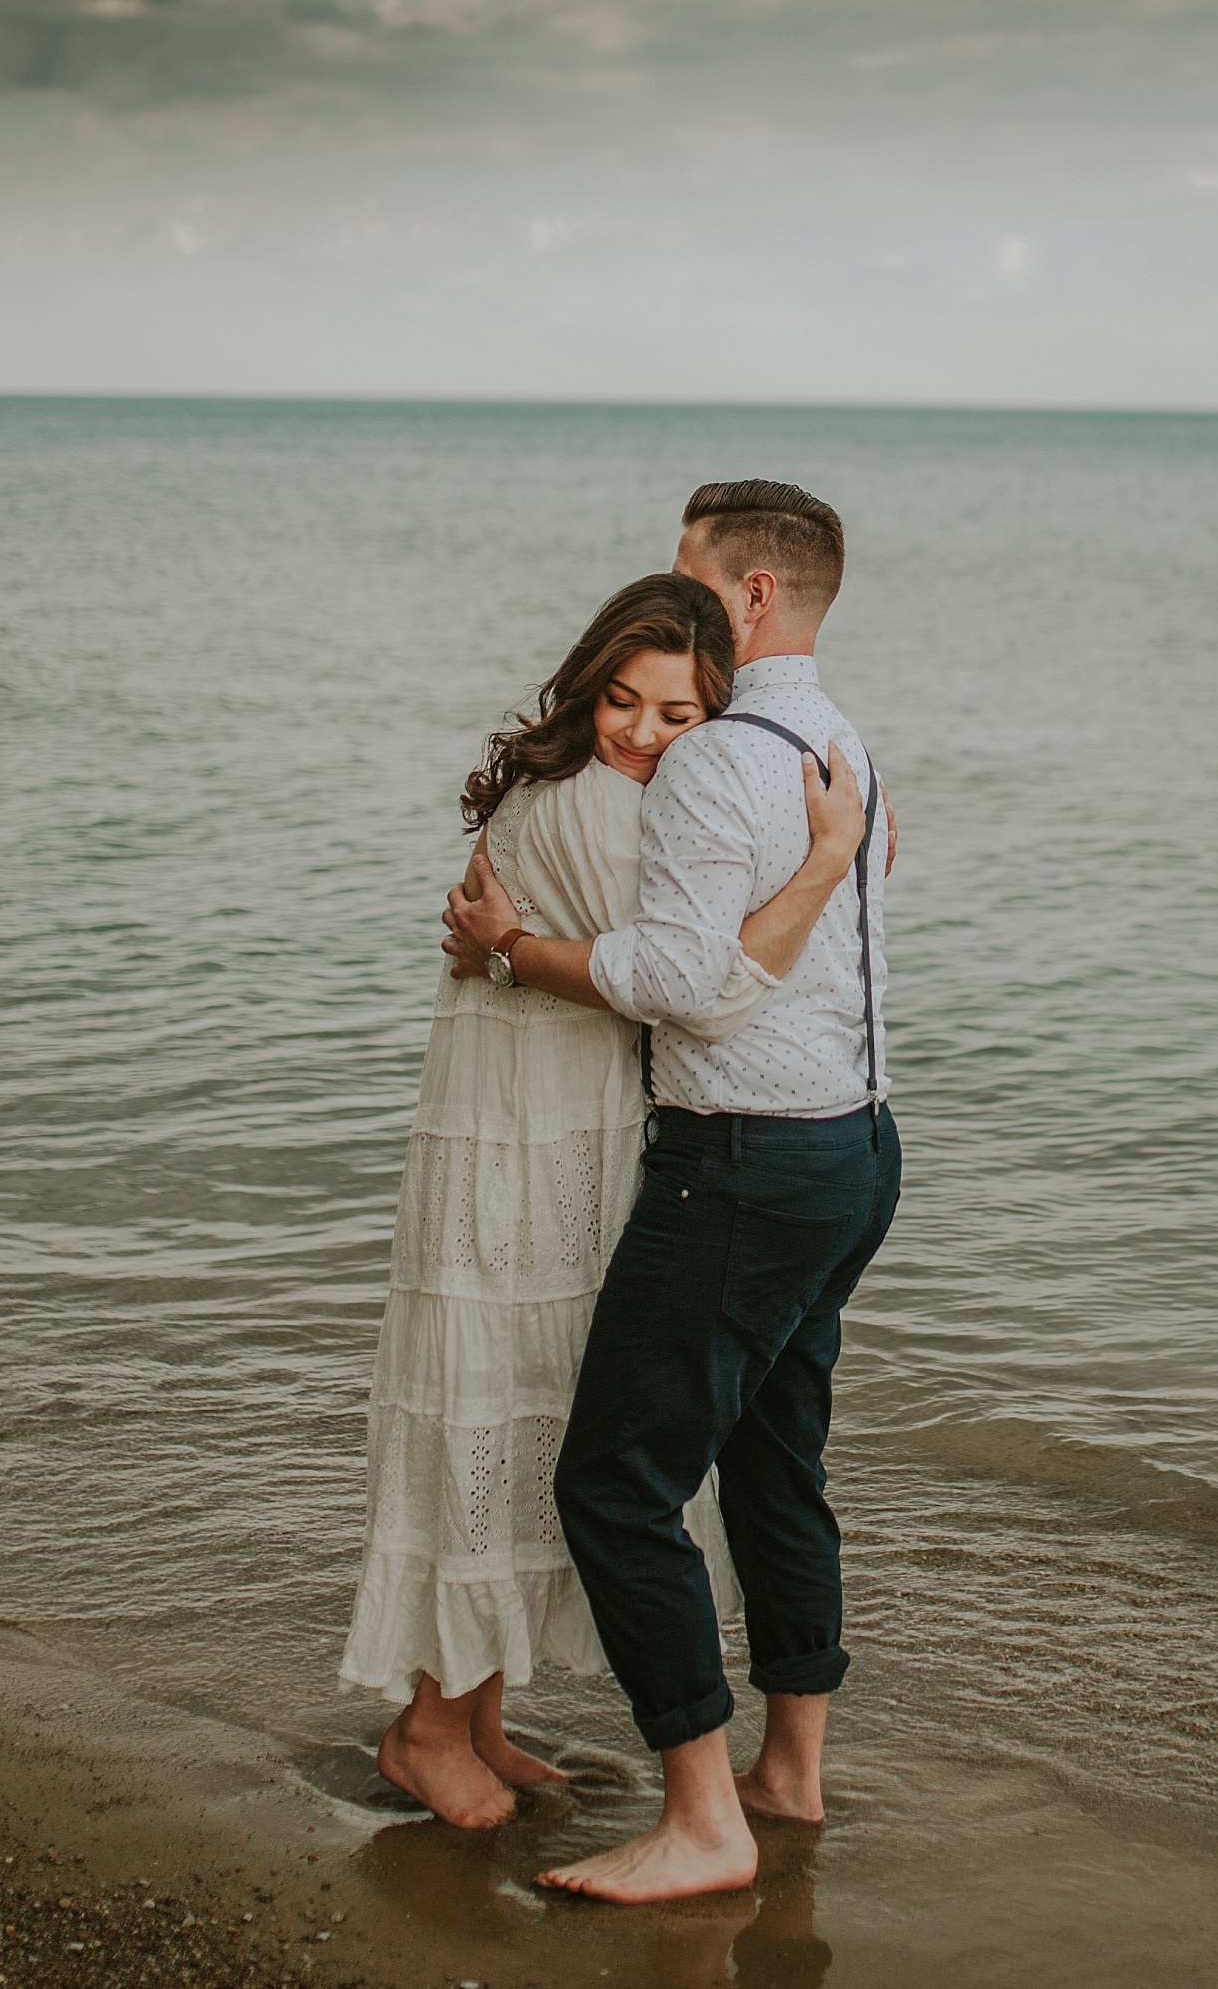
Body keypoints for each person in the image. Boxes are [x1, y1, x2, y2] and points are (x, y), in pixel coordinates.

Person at [342, 570, 871, 1830]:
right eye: (622, 699)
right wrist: (832, 856)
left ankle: (474, 1711)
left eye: (676, 712)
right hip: (513, 1139)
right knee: (491, 1400)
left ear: (716, 712)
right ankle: (424, 1725)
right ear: (588, 689)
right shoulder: (590, 803)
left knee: (536, 1407)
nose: (640, 730)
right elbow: (712, 984)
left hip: (562, 1128)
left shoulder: (618, 795)